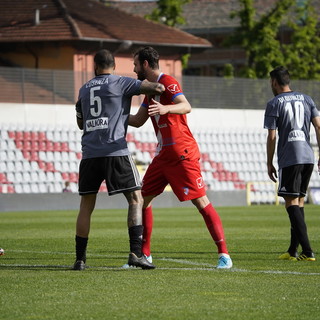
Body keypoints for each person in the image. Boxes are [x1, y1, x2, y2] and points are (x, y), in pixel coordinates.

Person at [129, 46, 232, 269]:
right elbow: (138, 120)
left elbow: (186, 106)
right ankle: (144, 255)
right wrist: (115, 117)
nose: (134, 68)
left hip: (182, 153)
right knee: (141, 200)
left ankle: (224, 254)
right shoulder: (149, 90)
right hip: (163, 155)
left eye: (136, 64)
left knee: (201, 201)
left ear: (145, 64)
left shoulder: (168, 81)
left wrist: (166, 108)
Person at [73, 49, 165, 270]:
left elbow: (80, 123)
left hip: (90, 154)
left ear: (95, 67)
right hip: (115, 151)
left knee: (86, 206)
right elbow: (158, 87)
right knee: (135, 199)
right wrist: (151, 87)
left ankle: (80, 260)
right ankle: (135, 253)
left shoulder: (84, 89)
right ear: (113, 66)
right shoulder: (120, 82)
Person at [264, 66, 320, 262]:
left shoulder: (274, 103)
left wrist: (269, 162)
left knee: (290, 203)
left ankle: (307, 250)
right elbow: (318, 125)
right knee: (299, 201)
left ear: (274, 82)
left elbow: (272, 136)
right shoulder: (307, 99)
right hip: (308, 157)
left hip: (291, 157)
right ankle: (293, 250)